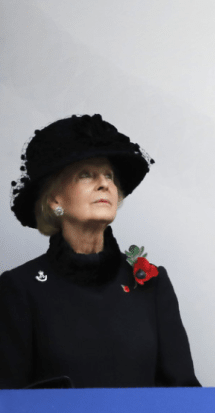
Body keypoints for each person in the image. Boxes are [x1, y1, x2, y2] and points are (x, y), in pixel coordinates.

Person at [0, 114, 200, 389]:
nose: (104, 183)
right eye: (85, 175)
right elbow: (8, 402)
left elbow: (184, 392)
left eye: (109, 175)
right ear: (55, 200)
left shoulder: (152, 283)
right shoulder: (20, 288)